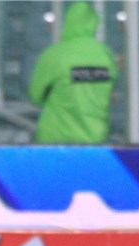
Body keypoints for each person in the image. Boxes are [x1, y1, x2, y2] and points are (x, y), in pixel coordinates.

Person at [28, 1, 119, 144]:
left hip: (55, 137)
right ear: (94, 24)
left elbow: (35, 94)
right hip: (94, 137)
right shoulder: (105, 55)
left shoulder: (54, 54)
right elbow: (111, 95)